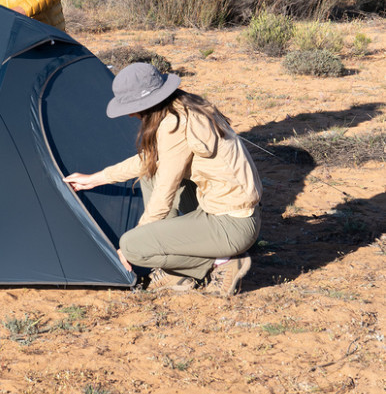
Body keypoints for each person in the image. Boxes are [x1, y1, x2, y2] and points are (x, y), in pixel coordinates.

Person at [65, 62, 262, 295]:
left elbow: (164, 194)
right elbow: (150, 162)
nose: (129, 113)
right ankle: (177, 269)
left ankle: (222, 263)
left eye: (132, 106)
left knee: (133, 246)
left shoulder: (173, 124)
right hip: (230, 211)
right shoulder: (185, 106)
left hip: (232, 225)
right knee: (150, 175)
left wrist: (136, 242)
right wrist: (97, 179)